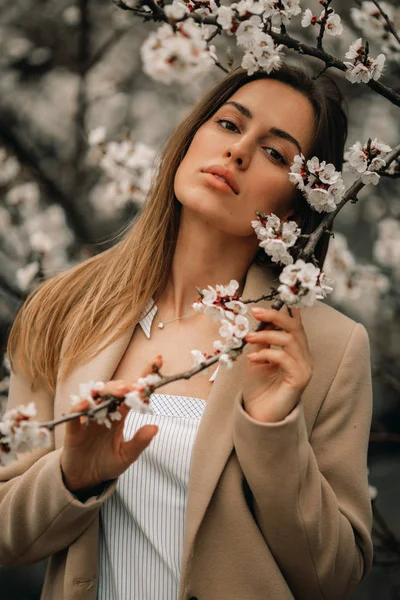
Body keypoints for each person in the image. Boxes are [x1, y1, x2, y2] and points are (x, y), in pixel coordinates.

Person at [2, 64, 373, 600]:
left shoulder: (325, 348)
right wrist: (72, 476)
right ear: (193, 134)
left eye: (275, 153)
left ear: (296, 204)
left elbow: (333, 576)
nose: (238, 151)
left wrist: (274, 432)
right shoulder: (62, 310)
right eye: (228, 125)